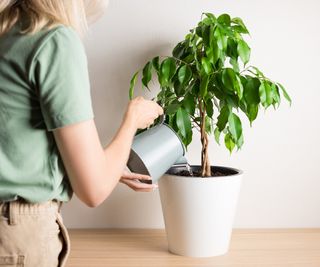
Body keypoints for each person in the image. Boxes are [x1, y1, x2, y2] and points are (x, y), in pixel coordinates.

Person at [0, 0, 163, 266]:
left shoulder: (7, 30)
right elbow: (93, 189)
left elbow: (15, 140)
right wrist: (132, 119)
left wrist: (105, 163)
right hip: (16, 239)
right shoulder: (53, 40)